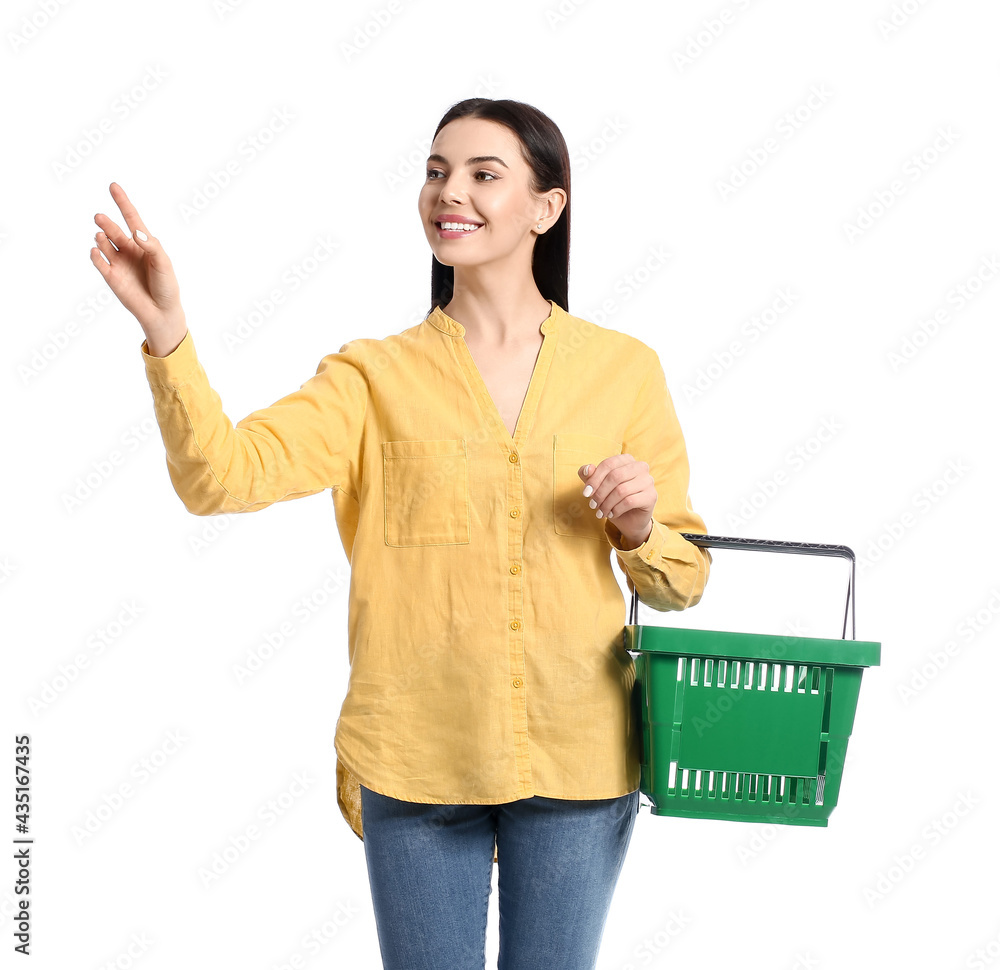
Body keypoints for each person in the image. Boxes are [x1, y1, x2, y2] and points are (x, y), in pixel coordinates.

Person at [90, 97, 712, 970]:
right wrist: (167, 335)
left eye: (483, 174)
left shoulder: (623, 370)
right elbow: (219, 477)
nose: (448, 192)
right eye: (435, 170)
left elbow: (681, 578)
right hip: (418, 760)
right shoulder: (370, 378)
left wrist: (641, 526)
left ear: (546, 206)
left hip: (579, 757)